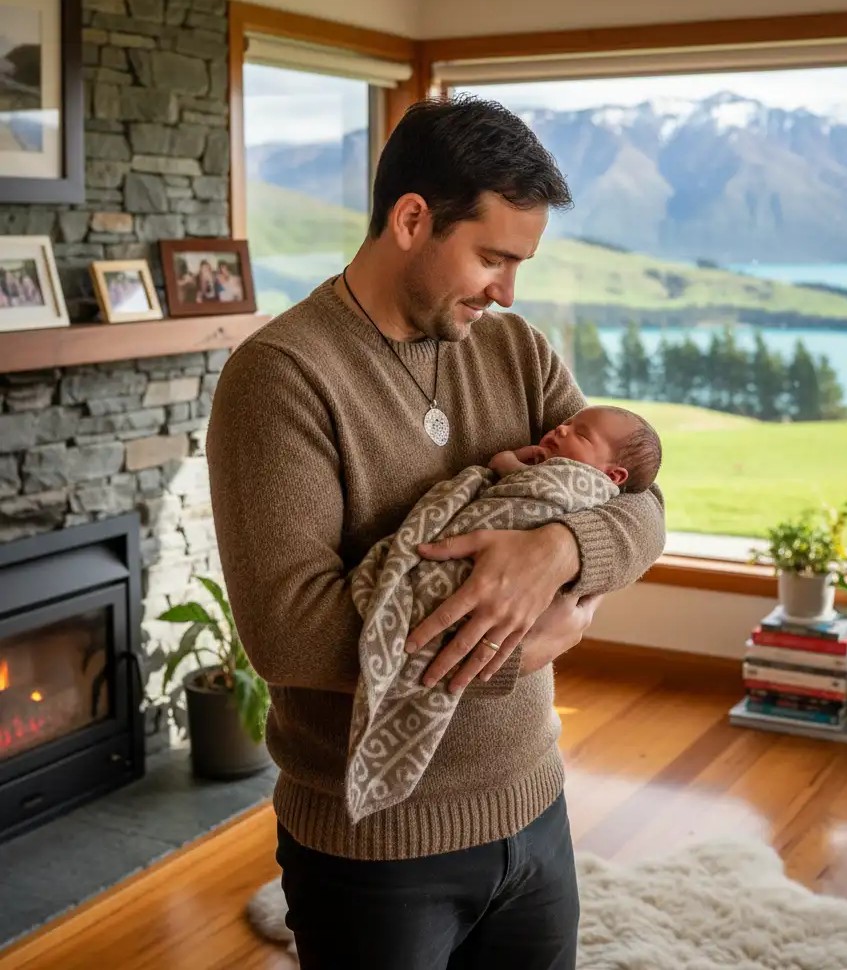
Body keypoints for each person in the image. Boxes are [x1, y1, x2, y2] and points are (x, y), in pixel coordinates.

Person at [206, 96, 666, 970]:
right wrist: (525, 646)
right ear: (411, 219)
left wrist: (560, 551)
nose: (507, 291)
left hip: (534, 802)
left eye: (519, 263)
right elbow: (289, 633)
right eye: (492, 257)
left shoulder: (515, 351)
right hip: (374, 845)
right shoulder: (279, 379)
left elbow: (641, 501)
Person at [489, 404, 661, 491]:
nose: (561, 428)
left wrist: (507, 462)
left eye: (582, 434)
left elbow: (531, 485)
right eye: (566, 423)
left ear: (612, 475)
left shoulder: (584, 490)